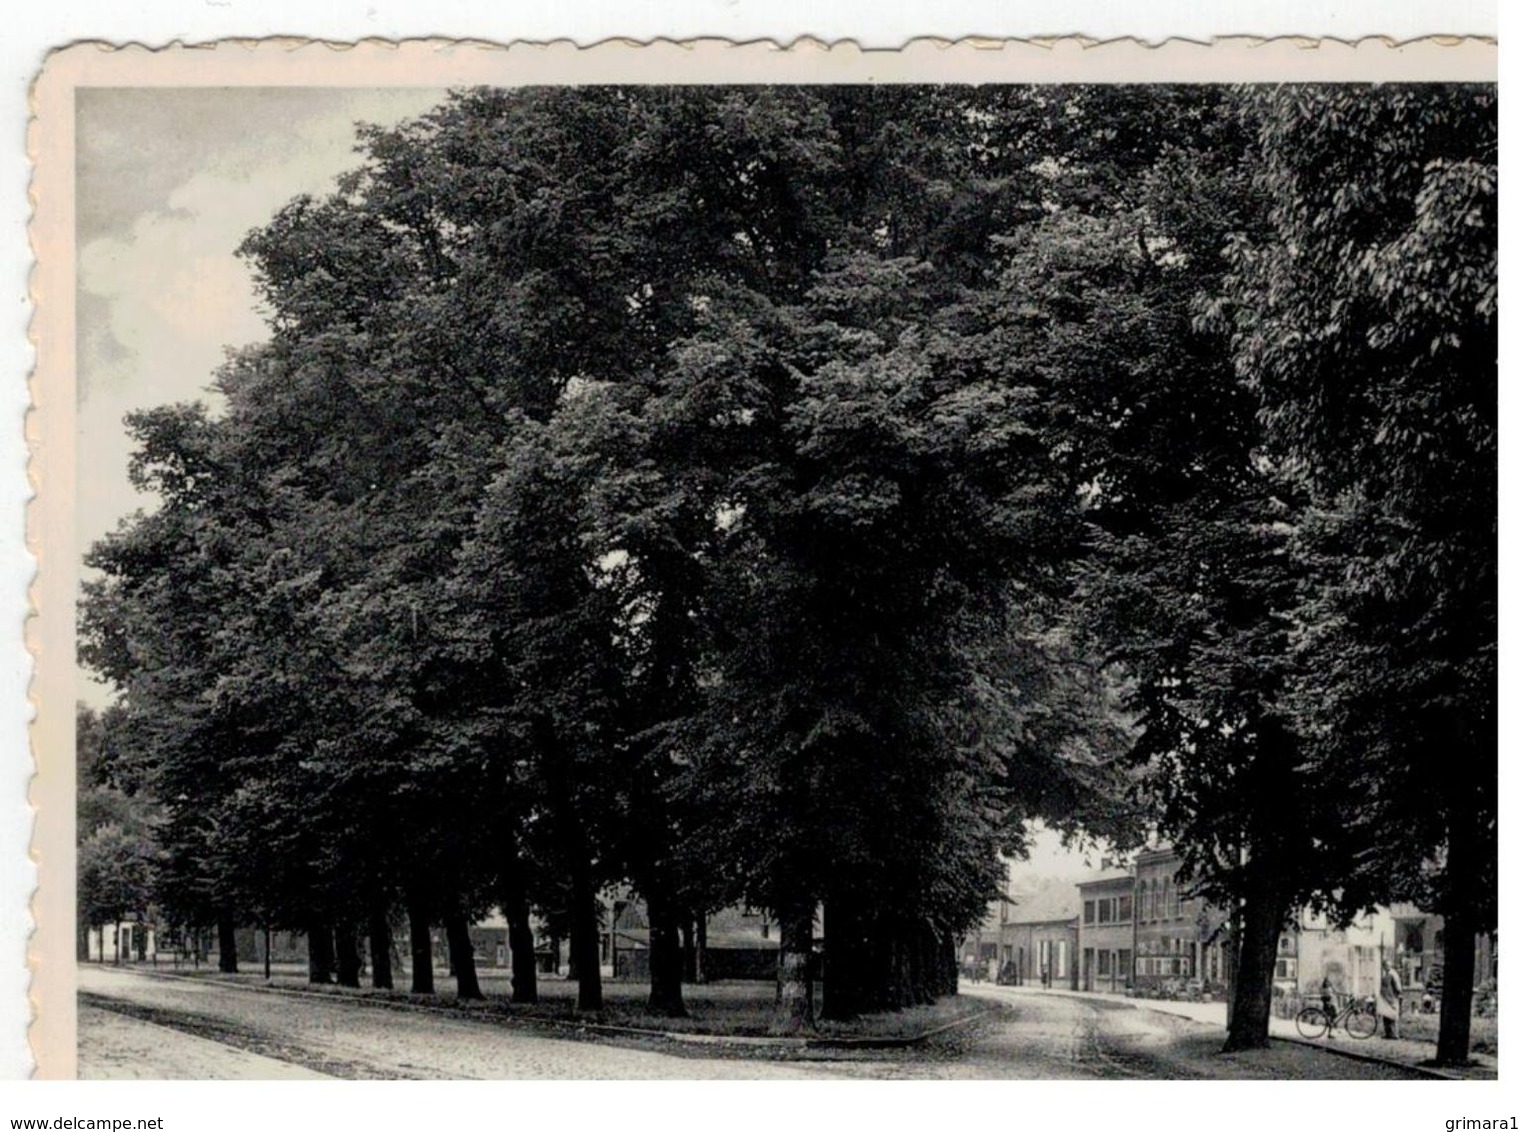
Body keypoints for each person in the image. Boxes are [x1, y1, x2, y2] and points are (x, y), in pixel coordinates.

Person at [1379, 959, 1402, 1039]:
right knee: (1386, 1016)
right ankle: (1388, 1033)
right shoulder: (1384, 974)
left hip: (1392, 998)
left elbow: (1398, 987)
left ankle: (1395, 1034)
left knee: (1393, 1016)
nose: (1386, 967)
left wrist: (1397, 994)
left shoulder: (1393, 974)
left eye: (1388, 965)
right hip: (1385, 998)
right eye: (1385, 965)